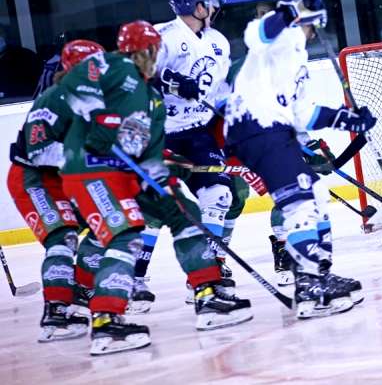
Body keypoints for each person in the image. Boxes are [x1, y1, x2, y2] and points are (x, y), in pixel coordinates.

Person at [58, 20, 251, 356]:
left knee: (182, 214)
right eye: (155, 50)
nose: (159, 57)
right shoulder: (117, 78)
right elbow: (100, 133)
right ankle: (104, 316)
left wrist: (160, 161)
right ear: (144, 51)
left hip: (123, 171)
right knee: (125, 232)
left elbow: (140, 138)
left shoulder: (145, 87)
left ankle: (206, 294)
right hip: (97, 174)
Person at [225, 0, 376, 319]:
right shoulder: (280, 33)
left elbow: (303, 113)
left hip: (274, 130)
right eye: (314, 25)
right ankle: (308, 285)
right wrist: (289, 11)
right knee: (300, 204)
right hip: (256, 127)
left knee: (317, 194)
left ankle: (318, 273)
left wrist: (348, 120)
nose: (314, 33)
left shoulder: (297, 57)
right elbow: (255, 36)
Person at [133, 0, 237, 304]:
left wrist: (235, 117)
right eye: (209, 2)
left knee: (220, 193)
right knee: (156, 207)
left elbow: (219, 91)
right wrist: (172, 81)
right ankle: (134, 278)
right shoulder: (162, 35)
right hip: (160, 133)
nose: (214, 7)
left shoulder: (218, 41)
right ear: (196, 6)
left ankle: (210, 269)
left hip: (198, 132)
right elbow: (138, 77)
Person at [7, 40, 105, 343]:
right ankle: (57, 313)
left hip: (66, 179)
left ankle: (79, 285)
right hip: (34, 178)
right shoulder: (53, 99)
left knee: (113, 221)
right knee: (63, 239)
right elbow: (40, 151)